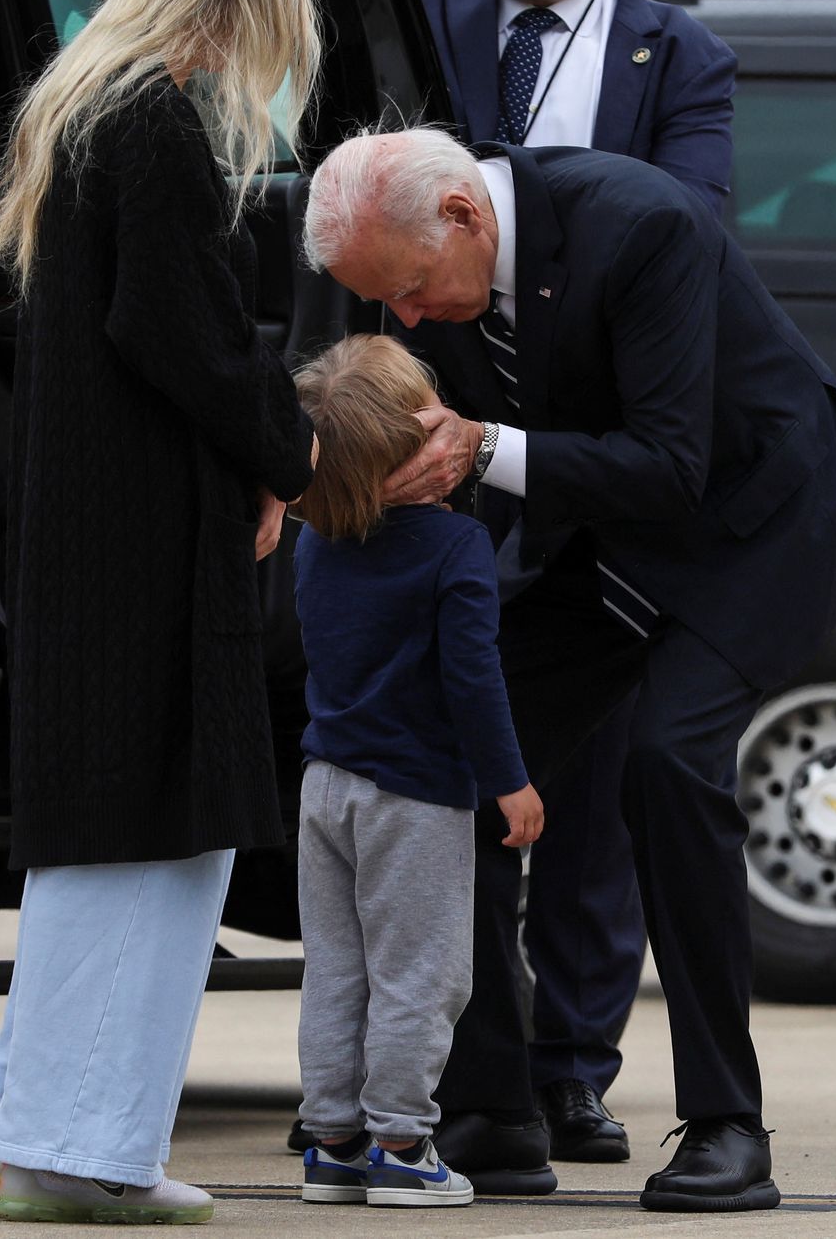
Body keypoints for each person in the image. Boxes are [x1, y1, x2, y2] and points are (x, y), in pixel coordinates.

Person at [196, 0, 739, 1175]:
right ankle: (470, 1088)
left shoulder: (675, 53)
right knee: (432, 753)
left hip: (589, 450)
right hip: (416, 442)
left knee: (581, 778)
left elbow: (686, 221)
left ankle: (571, 1061)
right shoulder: (427, 9)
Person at [300, 125, 836, 1213]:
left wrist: (480, 445)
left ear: (464, 219)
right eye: (385, 303)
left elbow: (669, 466)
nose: (409, 321)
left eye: (416, 291)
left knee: (667, 762)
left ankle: (725, 1123)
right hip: (600, 535)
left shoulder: (643, 223)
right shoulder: (427, 269)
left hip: (748, 528)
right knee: (448, 756)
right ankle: (493, 1102)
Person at [0, 0, 321, 1226]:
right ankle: (86, 1153)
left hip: (84, 539)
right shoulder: (161, 127)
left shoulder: (81, 109)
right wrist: (288, 451)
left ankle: (31, 1133)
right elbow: (182, 335)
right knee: (162, 844)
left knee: (94, 846)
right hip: (150, 549)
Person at [289, 333, 544, 1207]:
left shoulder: (314, 544)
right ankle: (402, 1146)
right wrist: (508, 780)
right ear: (421, 444)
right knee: (423, 974)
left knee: (337, 968)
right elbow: (473, 676)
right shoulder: (455, 548)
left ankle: (331, 1142)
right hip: (416, 794)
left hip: (324, 786)